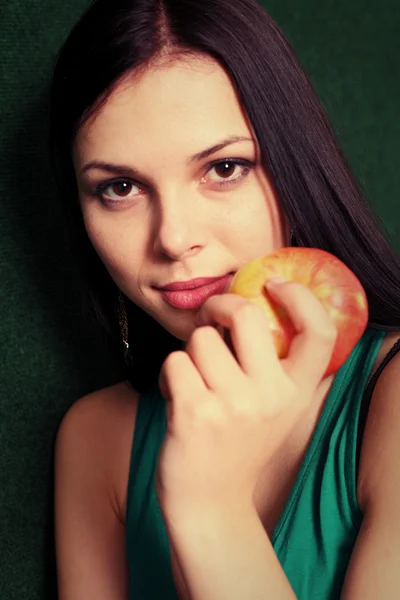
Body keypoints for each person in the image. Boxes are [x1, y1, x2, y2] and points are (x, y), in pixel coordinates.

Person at [50, 0, 400, 598]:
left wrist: (209, 507)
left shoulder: (388, 401)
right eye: (121, 187)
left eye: (225, 168)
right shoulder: (95, 440)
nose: (174, 238)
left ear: (295, 166)